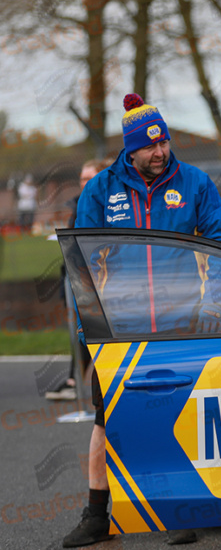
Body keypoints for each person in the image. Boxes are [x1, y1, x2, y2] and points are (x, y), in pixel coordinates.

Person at [63, 93, 221, 548]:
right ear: (131, 150)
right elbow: (81, 262)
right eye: (150, 147)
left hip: (180, 325)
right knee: (108, 418)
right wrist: (92, 320)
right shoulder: (100, 189)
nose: (161, 153)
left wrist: (212, 307)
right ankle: (98, 514)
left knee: (181, 414)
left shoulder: (195, 184)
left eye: (165, 144)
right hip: (121, 329)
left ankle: (179, 509)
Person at [46, 158, 115, 401]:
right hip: (77, 276)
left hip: (103, 281)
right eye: (82, 178)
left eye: (89, 177)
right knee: (83, 330)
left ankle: (84, 380)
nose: (84, 182)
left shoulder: (110, 202)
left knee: (95, 331)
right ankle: (77, 379)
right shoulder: (80, 204)